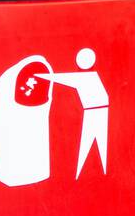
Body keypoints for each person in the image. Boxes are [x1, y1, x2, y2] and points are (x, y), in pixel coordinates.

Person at [36, 48, 109, 178]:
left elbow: (63, 78)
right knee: (97, 146)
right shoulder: (92, 76)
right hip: (100, 111)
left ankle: (85, 174)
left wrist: (40, 75)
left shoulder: (84, 77)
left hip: (95, 113)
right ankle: (92, 173)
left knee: (90, 145)